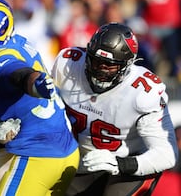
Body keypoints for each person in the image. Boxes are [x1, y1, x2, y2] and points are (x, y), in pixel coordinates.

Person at [0, 0, 79, 196]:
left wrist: (35, 83)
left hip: (37, 156)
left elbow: (18, 73)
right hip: (66, 154)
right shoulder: (20, 42)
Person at [51, 22, 178, 196]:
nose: (99, 71)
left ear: (127, 65)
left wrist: (121, 164)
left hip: (130, 163)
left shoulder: (143, 92)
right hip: (82, 159)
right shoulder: (68, 64)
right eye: (96, 62)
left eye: (109, 65)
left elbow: (167, 154)